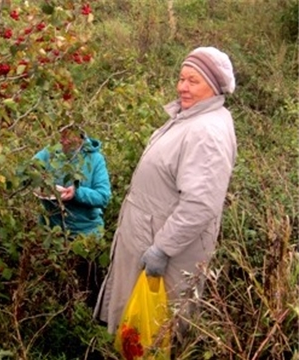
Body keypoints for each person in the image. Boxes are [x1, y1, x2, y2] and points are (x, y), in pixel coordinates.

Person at [93, 46, 237, 338]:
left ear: (214, 86)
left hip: (164, 254)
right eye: (181, 78)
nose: (182, 87)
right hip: (147, 237)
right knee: (136, 332)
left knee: (155, 333)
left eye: (193, 81)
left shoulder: (206, 133)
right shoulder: (190, 119)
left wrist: (162, 249)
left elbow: (199, 204)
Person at [33, 124, 111, 305]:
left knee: (90, 289)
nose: (63, 139)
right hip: (52, 235)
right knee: (56, 291)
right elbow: (27, 172)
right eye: (61, 134)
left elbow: (103, 196)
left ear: (80, 136)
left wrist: (77, 193)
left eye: (68, 135)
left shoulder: (95, 160)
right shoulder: (49, 153)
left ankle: (92, 325)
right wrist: (35, 180)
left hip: (86, 235)